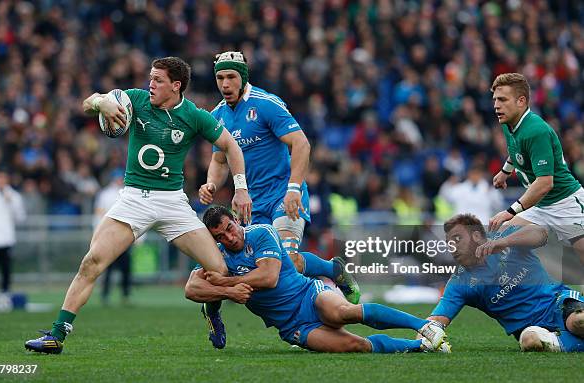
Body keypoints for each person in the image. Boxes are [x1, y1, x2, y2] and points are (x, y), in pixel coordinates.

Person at [25, 56, 252, 354]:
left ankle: (212, 313)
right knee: (91, 262)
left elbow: (230, 146)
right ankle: (56, 335)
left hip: (172, 202)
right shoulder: (135, 99)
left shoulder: (195, 116)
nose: (151, 84)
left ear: (176, 85)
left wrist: (241, 188)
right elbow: (88, 102)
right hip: (134, 198)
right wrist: (100, 102)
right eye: (150, 78)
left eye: (157, 80)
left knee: (218, 270)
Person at [199, 51, 359, 302]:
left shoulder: (266, 103)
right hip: (250, 203)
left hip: (282, 194)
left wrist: (294, 188)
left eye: (231, 76)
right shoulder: (217, 115)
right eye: (220, 78)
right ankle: (332, 270)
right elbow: (219, 161)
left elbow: (301, 144)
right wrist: (211, 183)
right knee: (259, 266)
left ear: (242, 77)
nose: (225, 84)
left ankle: (319, 309)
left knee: (286, 261)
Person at [185, 206, 450, 354]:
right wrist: (230, 293)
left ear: (235, 220)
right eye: (220, 236)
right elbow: (191, 288)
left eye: (229, 228)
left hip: (307, 295)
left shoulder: (260, 232)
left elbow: (268, 277)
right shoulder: (216, 255)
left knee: (343, 312)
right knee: (354, 345)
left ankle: (424, 327)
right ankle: (421, 346)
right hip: (291, 326)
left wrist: (224, 284)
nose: (229, 238)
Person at [427, 213, 584, 352]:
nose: (452, 246)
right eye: (449, 242)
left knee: (577, 321)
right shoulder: (459, 283)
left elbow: (540, 233)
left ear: (475, 236)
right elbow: (435, 322)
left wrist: (506, 242)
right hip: (531, 330)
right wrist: (419, 340)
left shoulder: (505, 238)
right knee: (530, 341)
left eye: (457, 239)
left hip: (558, 303)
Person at [488, 73, 584, 262]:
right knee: (503, 234)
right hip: (541, 206)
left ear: (521, 101)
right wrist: (505, 171)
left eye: (502, 99)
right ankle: (530, 287)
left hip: (566, 204)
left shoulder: (536, 130)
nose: (496, 105)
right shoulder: (509, 123)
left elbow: (545, 183)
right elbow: (517, 151)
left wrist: (510, 211)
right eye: (495, 100)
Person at [94, 171, 132, 305]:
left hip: (125, 235)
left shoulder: (128, 191)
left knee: (125, 268)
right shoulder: (105, 194)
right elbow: (99, 214)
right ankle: (105, 294)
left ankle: (125, 294)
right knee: (107, 267)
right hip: (110, 235)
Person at [439, 164, 504, 223]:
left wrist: (492, 192)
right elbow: (446, 197)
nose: (475, 176)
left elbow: (498, 205)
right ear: (469, 174)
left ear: (481, 174)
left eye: (477, 174)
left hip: (482, 224)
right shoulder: (459, 188)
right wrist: (449, 183)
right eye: (473, 174)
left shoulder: (489, 189)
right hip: (463, 224)